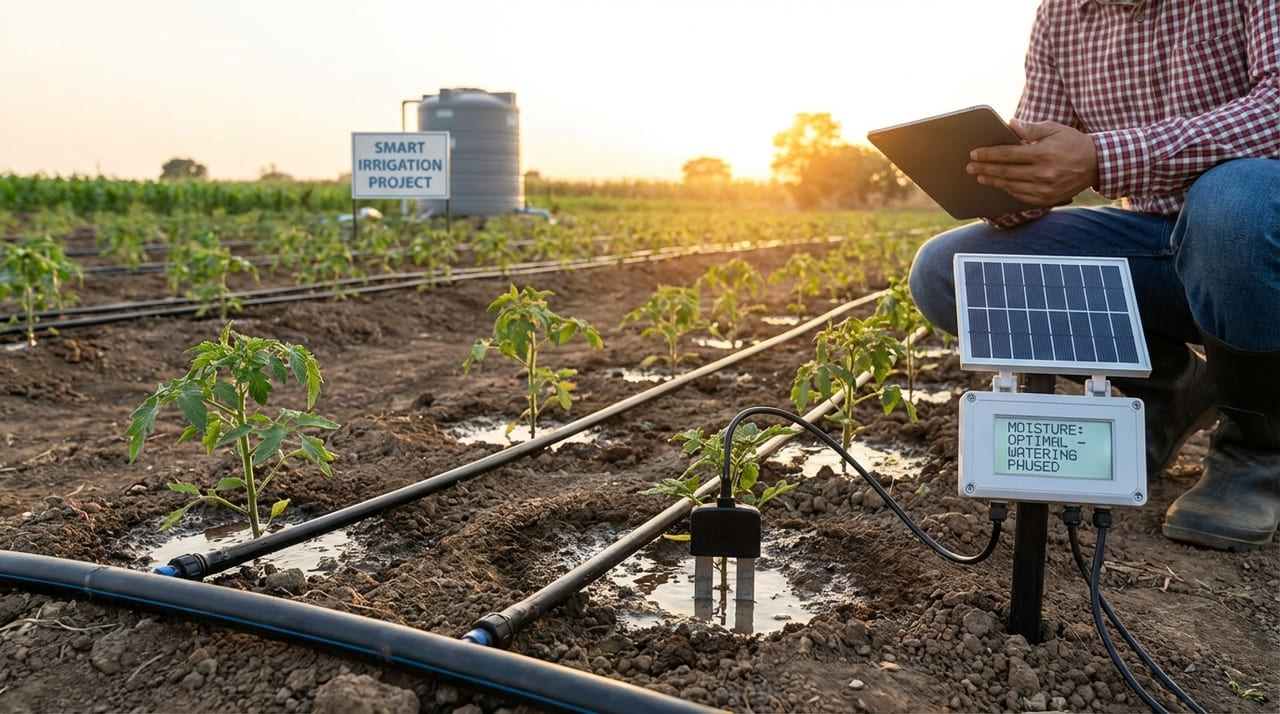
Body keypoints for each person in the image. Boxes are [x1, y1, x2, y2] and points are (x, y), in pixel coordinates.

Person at [907, 0, 1280, 551]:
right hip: (1152, 239)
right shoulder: (1062, 13)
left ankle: (1257, 452)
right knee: (951, 272)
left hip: (1257, 237)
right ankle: (1170, 388)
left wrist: (1105, 156)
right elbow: (1044, 146)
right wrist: (1006, 178)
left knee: (1230, 205)